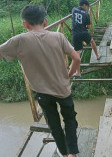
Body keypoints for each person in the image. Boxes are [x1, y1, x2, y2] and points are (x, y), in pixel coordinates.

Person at [0, 5, 80, 157]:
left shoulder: (19, 41)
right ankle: (72, 153)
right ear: (45, 21)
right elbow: (77, 58)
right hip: (63, 89)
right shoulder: (58, 37)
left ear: (25, 24)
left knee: (54, 125)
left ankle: (64, 154)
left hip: (42, 93)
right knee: (70, 119)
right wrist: (68, 75)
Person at [72, 0, 101, 78]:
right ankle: (97, 56)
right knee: (92, 41)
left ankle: (78, 73)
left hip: (75, 34)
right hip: (83, 32)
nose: (87, 8)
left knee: (77, 53)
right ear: (84, 5)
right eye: (87, 7)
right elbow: (88, 27)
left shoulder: (74, 9)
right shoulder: (86, 14)